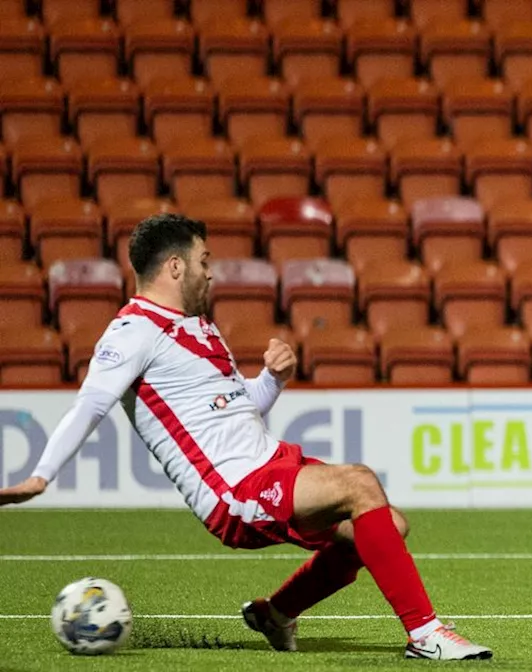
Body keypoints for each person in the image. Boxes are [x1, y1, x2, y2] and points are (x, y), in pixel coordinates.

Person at [0, 214, 493, 660]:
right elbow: (91, 401)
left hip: (270, 462)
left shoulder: (198, 328)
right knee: (360, 483)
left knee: (389, 525)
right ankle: (425, 633)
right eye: (203, 260)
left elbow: (240, 411)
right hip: (233, 491)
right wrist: (41, 476)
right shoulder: (132, 331)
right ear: (175, 267)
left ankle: (274, 613)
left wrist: (273, 379)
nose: (210, 272)